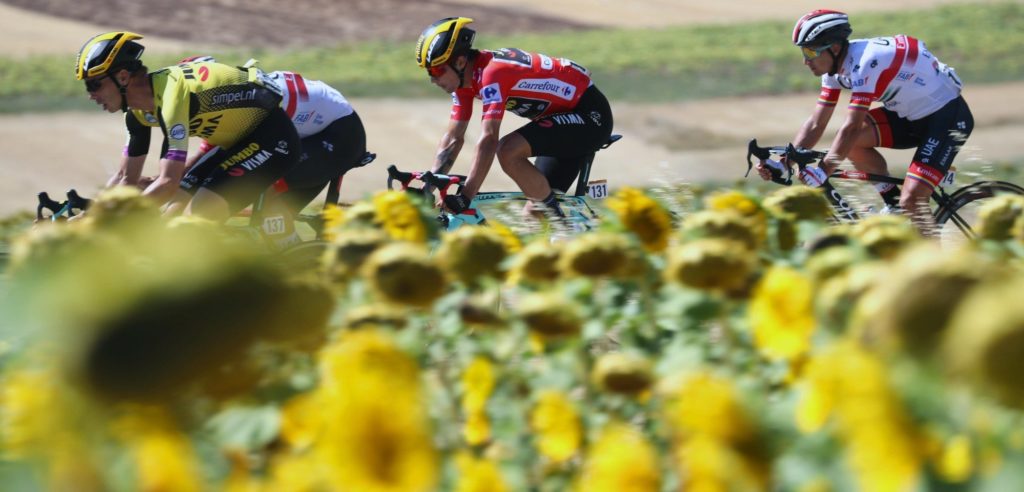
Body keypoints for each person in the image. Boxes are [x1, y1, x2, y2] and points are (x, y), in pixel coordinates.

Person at [756, 10, 972, 233]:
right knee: (854, 143)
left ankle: (936, 264)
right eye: (804, 51)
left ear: (835, 48)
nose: (805, 60)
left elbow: (852, 125)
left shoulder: (868, 62)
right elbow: (816, 124)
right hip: (908, 116)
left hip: (946, 118)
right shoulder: (832, 68)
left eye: (810, 51)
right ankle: (892, 202)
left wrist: (824, 170)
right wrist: (784, 162)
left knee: (912, 200)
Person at [76, 31, 301, 222]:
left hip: (272, 140)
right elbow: (126, 178)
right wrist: (92, 214)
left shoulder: (172, 98)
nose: (91, 95)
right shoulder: (136, 113)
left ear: (123, 77)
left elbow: (167, 182)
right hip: (233, 144)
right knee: (172, 214)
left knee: (198, 213)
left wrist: (109, 221)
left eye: (94, 84)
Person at [415, 17, 614, 216]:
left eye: (437, 70)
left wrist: (466, 195)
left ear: (459, 62)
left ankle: (559, 220)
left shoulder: (492, 73)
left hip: (590, 116)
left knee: (508, 150)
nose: (433, 79)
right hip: (560, 121)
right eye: (428, 73)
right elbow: (453, 138)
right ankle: (563, 226)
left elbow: (489, 139)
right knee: (534, 216)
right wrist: (428, 187)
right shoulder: (463, 84)